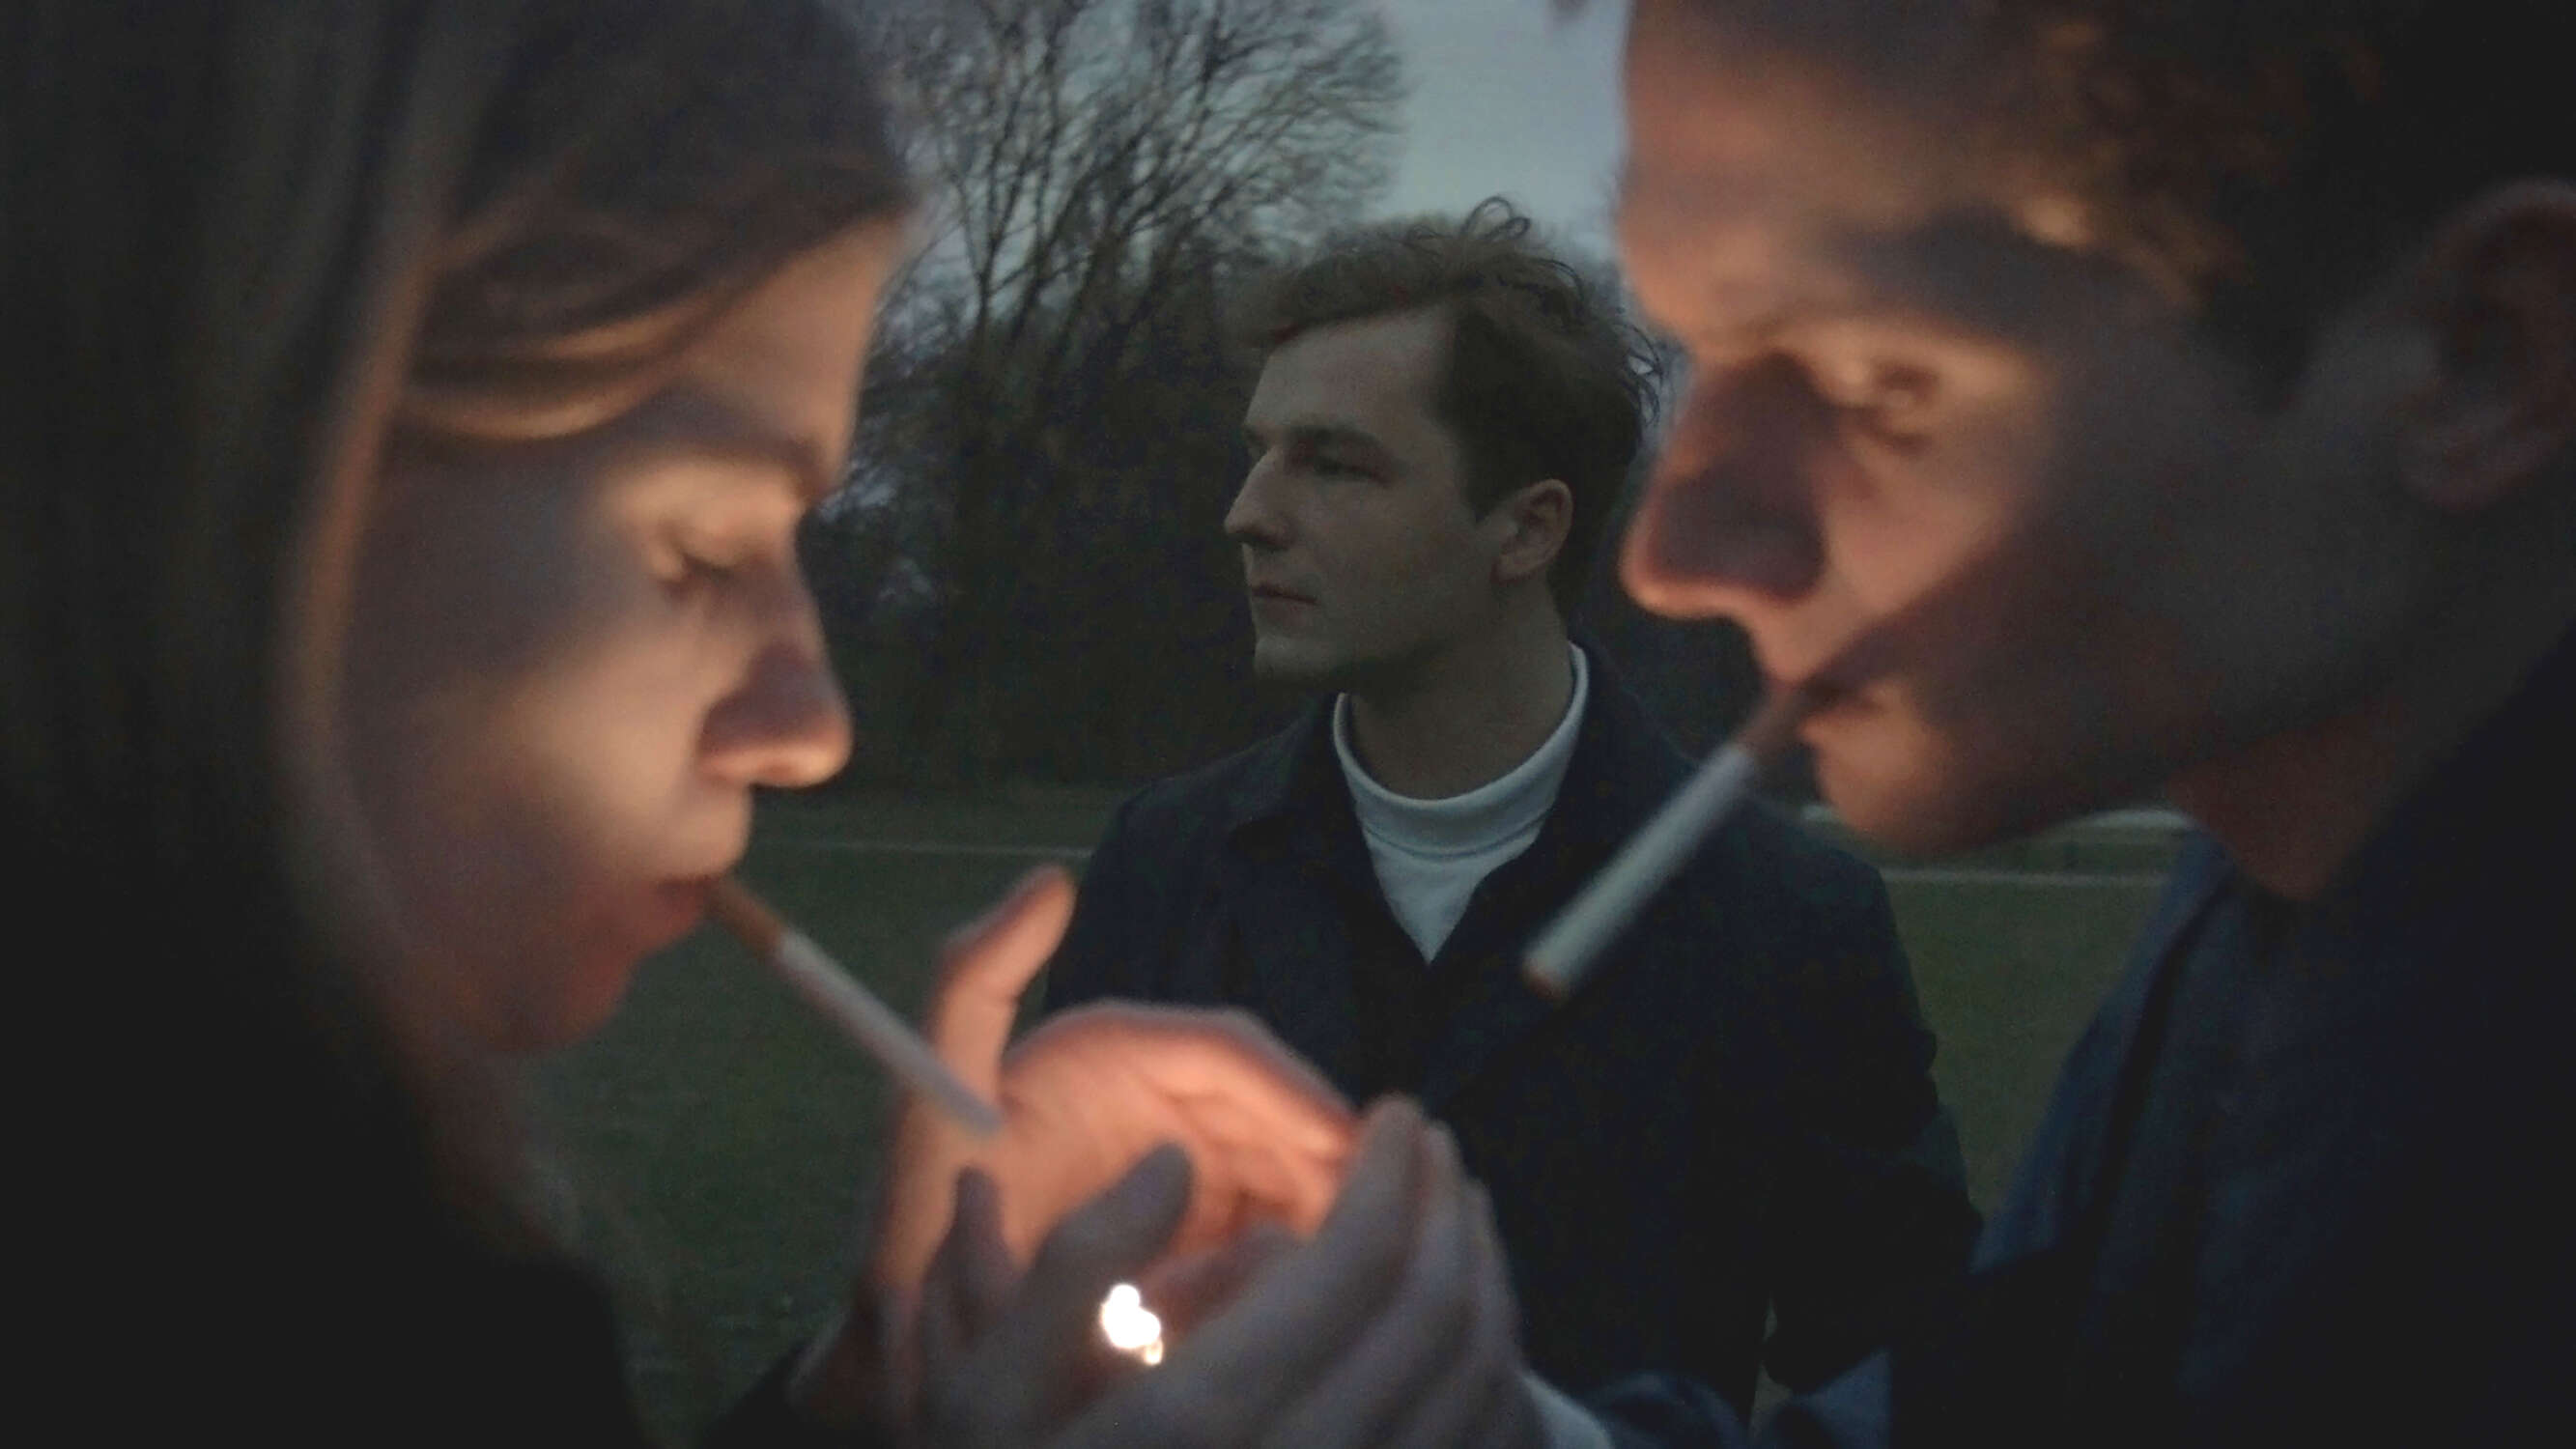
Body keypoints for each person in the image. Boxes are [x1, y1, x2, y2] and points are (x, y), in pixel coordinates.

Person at [8, 3, 1534, 1444]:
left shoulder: (368, 1255)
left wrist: (872, 1381)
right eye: (701, 554)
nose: (811, 728)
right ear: (254, 480)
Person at [1590, 0, 2576, 1442]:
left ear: (2478, 351)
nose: (1667, 556)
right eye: (1691, 348)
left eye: (1875, 384)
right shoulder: (2268, 873)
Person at [1038, 200, 1979, 1415]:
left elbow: (1908, 1376)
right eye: (1261, 452)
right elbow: (1047, 1288)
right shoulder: (1167, 864)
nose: (1250, 512)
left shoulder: (1783, 918)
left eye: (1334, 464)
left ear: (1527, 528)